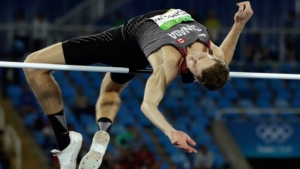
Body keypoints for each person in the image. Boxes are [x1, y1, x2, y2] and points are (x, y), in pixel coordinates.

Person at [23, 1, 253, 168]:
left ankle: (65, 143)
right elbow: (225, 58)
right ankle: (102, 134)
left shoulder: (169, 63)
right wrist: (239, 24)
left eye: (194, 65)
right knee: (110, 90)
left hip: (120, 42)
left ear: (194, 77)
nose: (195, 56)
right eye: (203, 57)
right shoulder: (213, 53)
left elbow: (148, 104)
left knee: (33, 64)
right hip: (140, 49)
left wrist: (170, 131)